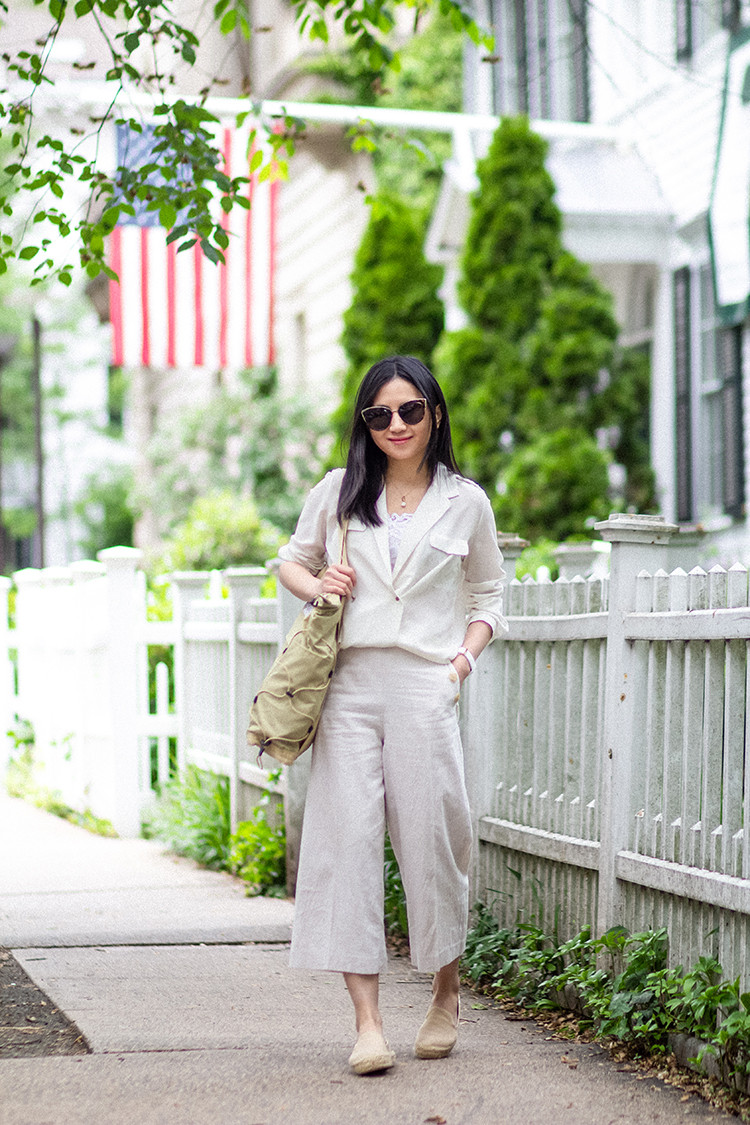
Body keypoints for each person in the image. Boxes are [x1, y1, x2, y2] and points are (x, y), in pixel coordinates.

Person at [277, 355, 507, 1074]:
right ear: (365, 422)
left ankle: (445, 992)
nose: (396, 425)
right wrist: (320, 583)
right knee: (347, 841)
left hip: (423, 682)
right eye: (379, 414)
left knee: (435, 837)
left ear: (434, 413)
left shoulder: (465, 501)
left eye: (410, 410)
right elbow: (289, 560)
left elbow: (489, 597)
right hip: (347, 684)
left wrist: (457, 667)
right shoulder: (339, 490)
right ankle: (368, 1025)